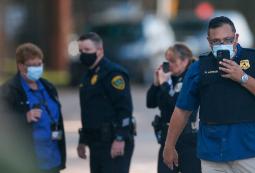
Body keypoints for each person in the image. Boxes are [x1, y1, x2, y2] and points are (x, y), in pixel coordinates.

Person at [163, 16, 255, 173]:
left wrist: (243, 78)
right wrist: (169, 146)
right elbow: (182, 110)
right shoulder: (199, 67)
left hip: (249, 152)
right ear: (209, 42)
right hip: (212, 155)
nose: (222, 44)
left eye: (227, 39)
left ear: (236, 38)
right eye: (216, 41)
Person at [0, 43, 66, 173]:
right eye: (32, 65)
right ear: (20, 66)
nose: (37, 68)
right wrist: (24, 117)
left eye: (39, 64)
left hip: (52, 159)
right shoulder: (8, 90)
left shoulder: (48, 87)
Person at [76, 32, 135, 173]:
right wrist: (83, 139)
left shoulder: (114, 74)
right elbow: (89, 112)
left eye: (87, 50)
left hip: (113, 141)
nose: (83, 54)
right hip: (96, 143)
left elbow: (125, 108)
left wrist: (120, 138)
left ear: (100, 51)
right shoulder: (88, 76)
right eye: (80, 51)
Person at [146, 43, 201, 173]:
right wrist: (156, 83)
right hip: (167, 138)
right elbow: (150, 103)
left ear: (185, 61)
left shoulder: (191, 78)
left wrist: (165, 84)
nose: (169, 65)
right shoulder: (170, 77)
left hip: (187, 139)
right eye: (167, 61)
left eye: (173, 61)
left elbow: (177, 106)